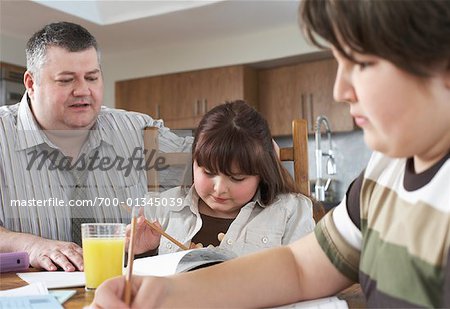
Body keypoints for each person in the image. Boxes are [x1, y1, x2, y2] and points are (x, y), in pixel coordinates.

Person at [91, 0, 450, 308]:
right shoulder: (381, 175)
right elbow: (300, 266)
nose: (340, 89)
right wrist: (168, 292)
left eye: (364, 63)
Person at [0, 22, 192, 272]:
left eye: (92, 77)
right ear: (31, 82)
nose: (83, 91)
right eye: (66, 80)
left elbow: (215, 163)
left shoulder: (138, 130)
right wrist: (31, 246)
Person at [128, 100, 314, 257]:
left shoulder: (290, 211)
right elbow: (134, 282)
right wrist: (137, 252)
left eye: (237, 178)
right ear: (194, 161)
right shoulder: (161, 208)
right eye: (208, 172)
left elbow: (307, 275)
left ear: (262, 173)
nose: (219, 188)